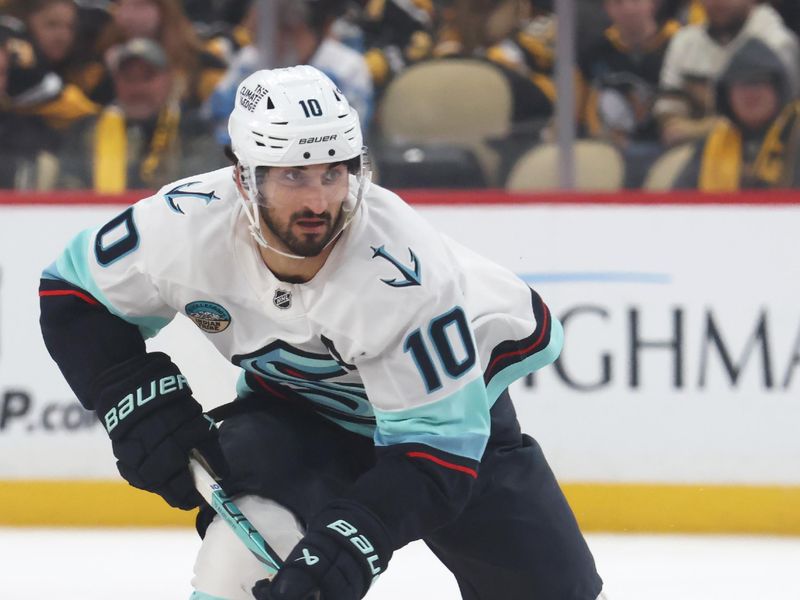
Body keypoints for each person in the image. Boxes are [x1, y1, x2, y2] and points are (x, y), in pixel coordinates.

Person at [39, 65, 604, 600]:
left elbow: (437, 454)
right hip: (296, 412)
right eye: (293, 175)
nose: (317, 202)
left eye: (333, 172)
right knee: (241, 556)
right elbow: (72, 293)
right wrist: (131, 398)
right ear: (243, 177)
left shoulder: (405, 274)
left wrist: (358, 539)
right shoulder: (183, 225)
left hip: (447, 427)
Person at [57, 37, 220, 191]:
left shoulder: (194, 130)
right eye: (129, 78)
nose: (137, 88)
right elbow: (69, 187)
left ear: (168, 79)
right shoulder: (86, 131)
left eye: (147, 77)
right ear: (115, 81)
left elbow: (203, 188)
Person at [654, 0, 799, 147]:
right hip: (691, 153)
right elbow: (669, 115)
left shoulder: (777, 42)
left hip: (765, 151)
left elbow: (776, 121)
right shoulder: (684, 41)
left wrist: (697, 130)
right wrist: (678, 128)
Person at [673, 37, 800, 189]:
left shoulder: (796, 131)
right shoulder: (714, 142)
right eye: (741, 85)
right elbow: (680, 203)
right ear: (726, 96)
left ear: (778, 89)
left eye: (759, 82)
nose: (750, 93)